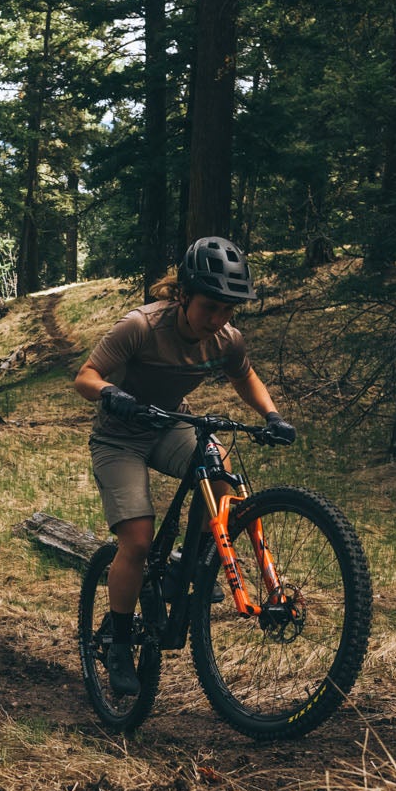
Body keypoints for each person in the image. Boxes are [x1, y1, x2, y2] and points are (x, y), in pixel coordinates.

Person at [72, 235, 296, 697]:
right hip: (119, 438)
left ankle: (190, 567)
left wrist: (271, 416)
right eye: (210, 307)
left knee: (220, 470)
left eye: (228, 310)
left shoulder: (226, 339)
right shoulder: (140, 326)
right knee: (136, 541)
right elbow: (85, 377)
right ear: (183, 296)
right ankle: (116, 641)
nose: (218, 320)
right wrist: (112, 395)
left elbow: (245, 375)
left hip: (170, 425)